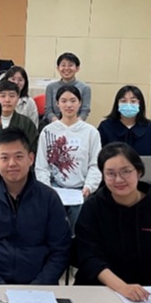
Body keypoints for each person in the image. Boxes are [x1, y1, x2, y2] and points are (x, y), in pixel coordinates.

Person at [74, 143, 151, 303]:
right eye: (110, 173)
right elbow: (89, 258)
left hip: (146, 295)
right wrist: (123, 288)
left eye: (126, 171)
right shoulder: (92, 208)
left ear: (139, 171)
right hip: (97, 290)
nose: (119, 179)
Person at [0, 128, 71, 285]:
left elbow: (60, 249)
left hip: (39, 285)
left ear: (31, 158)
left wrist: (38, 286)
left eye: (19, 156)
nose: (12, 164)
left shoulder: (49, 198)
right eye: (4, 158)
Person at [35, 85, 101, 233]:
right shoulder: (48, 131)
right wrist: (47, 189)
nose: (68, 105)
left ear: (80, 103)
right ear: (57, 104)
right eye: (64, 101)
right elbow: (41, 166)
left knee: (78, 229)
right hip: (54, 188)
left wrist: (89, 187)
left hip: (81, 190)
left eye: (73, 100)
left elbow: (95, 165)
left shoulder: (91, 132)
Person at [98, 85, 151, 185]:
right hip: (113, 181)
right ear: (117, 104)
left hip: (143, 181)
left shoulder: (148, 127)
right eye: (123, 101)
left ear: (140, 104)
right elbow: (97, 156)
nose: (128, 105)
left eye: (133, 101)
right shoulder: (105, 127)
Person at [44, 52, 91, 123]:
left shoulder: (85, 88)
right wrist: (58, 124)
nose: (66, 68)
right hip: (55, 124)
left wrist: (75, 124)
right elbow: (48, 110)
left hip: (76, 123)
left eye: (70, 65)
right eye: (63, 65)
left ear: (77, 68)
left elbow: (85, 111)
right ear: (58, 68)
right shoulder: (50, 87)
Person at [0, 79, 38, 145]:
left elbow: (32, 147)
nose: (7, 100)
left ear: (18, 98)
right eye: (3, 96)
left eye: (12, 96)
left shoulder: (26, 123)